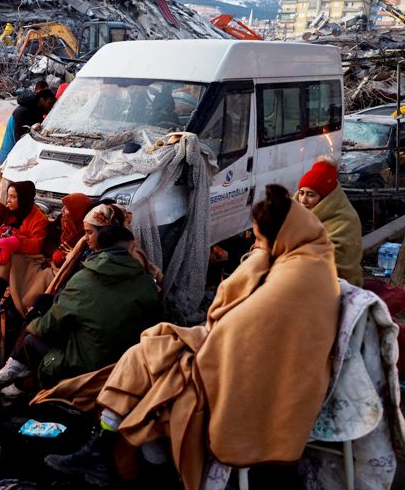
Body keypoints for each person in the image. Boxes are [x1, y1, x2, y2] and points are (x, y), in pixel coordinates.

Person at [41, 185, 340, 488]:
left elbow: (236, 325)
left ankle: (107, 447)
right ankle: (104, 446)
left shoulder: (293, 276)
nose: (255, 246)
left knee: (149, 361)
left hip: (248, 373)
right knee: (149, 349)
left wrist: (252, 269)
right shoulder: (307, 263)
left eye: (260, 239)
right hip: (238, 353)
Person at [0, 221, 161, 398]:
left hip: (89, 365)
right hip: (125, 359)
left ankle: (28, 382)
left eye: (90, 232)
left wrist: (31, 324)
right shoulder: (146, 282)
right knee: (47, 307)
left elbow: (50, 324)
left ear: (100, 246)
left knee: (31, 338)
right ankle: (19, 370)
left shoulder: (85, 278)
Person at [6, 192, 94, 316]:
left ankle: (26, 308)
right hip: (50, 259)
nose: (62, 210)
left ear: (77, 212)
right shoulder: (61, 221)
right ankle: (13, 302)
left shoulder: (85, 233)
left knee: (41, 279)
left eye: (67, 208)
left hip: (63, 269)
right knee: (17, 260)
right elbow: (49, 241)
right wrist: (54, 252)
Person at [296, 159, 363, 286]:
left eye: (310, 195)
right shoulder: (292, 213)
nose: (303, 200)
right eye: (301, 193)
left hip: (336, 285)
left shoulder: (345, 220)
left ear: (325, 198)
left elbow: (334, 261)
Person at [0, 88, 57, 165]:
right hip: (11, 156)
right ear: (42, 101)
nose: (51, 107)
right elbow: (20, 140)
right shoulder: (24, 112)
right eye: (49, 103)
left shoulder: (35, 110)